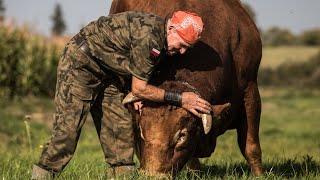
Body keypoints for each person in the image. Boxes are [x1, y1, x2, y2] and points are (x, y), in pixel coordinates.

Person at [31, 10, 211, 179]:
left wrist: (139, 93)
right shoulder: (150, 37)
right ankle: (42, 174)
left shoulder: (163, 40)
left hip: (110, 73)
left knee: (120, 136)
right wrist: (181, 99)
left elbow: (136, 72)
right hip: (81, 65)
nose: (182, 52)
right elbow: (140, 88)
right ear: (171, 28)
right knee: (66, 133)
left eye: (188, 48)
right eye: (182, 45)